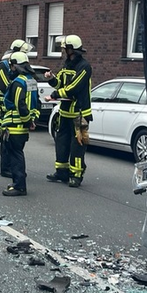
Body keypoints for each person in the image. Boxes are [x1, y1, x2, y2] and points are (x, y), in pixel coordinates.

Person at [44, 34, 92, 188]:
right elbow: (60, 84)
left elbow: (74, 88)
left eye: (65, 48)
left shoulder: (85, 67)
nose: (64, 50)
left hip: (79, 114)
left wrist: (55, 95)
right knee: (62, 143)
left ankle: (76, 175)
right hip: (64, 114)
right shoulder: (67, 65)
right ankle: (61, 172)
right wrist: (51, 78)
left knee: (77, 146)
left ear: (72, 49)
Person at [0, 52, 39, 196]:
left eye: (11, 66)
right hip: (23, 128)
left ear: (16, 66)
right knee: (18, 154)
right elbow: (36, 104)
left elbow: (19, 104)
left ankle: (19, 186)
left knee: (15, 157)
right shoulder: (32, 81)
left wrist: (27, 120)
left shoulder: (18, 83)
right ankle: (17, 183)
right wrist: (32, 121)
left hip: (15, 126)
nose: (10, 69)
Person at [0, 39, 33, 177]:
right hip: (4, 107)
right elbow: (6, 87)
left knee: (11, 141)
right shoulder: (3, 65)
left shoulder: (17, 66)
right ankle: (6, 168)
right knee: (5, 139)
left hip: (13, 108)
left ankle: (13, 167)